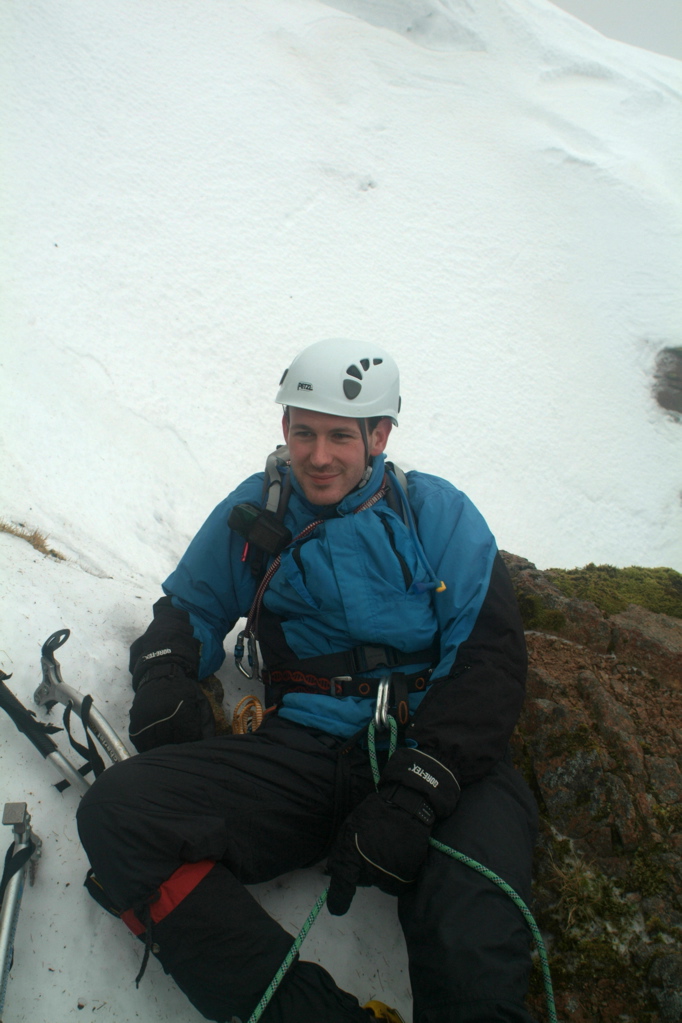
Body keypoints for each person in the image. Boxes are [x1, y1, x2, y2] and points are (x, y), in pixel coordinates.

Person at [77, 338, 538, 1023]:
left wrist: (421, 784)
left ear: (380, 435)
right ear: (285, 427)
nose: (317, 456)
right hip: (305, 751)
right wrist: (165, 672)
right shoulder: (263, 507)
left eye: (339, 437)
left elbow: (488, 655)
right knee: (120, 815)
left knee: (468, 944)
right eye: (303, 431)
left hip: (435, 751)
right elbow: (192, 606)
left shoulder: (433, 512)